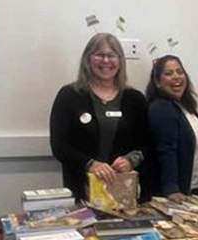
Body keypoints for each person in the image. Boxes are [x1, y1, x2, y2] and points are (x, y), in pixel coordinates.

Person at [50, 33, 149, 201]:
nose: (105, 61)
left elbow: (147, 143)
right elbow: (59, 145)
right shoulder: (69, 95)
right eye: (99, 55)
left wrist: (131, 160)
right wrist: (90, 164)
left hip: (124, 193)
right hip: (81, 190)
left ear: (120, 60)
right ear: (88, 59)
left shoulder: (135, 99)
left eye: (111, 55)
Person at [146, 55, 198, 200]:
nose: (176, 77)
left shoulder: (186, 107)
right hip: (174, 193)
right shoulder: (162, 108)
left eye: (180, 72)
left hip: (193, 187)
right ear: (157, 82)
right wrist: (171, 189)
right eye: (168, 74)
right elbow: (167, 150)